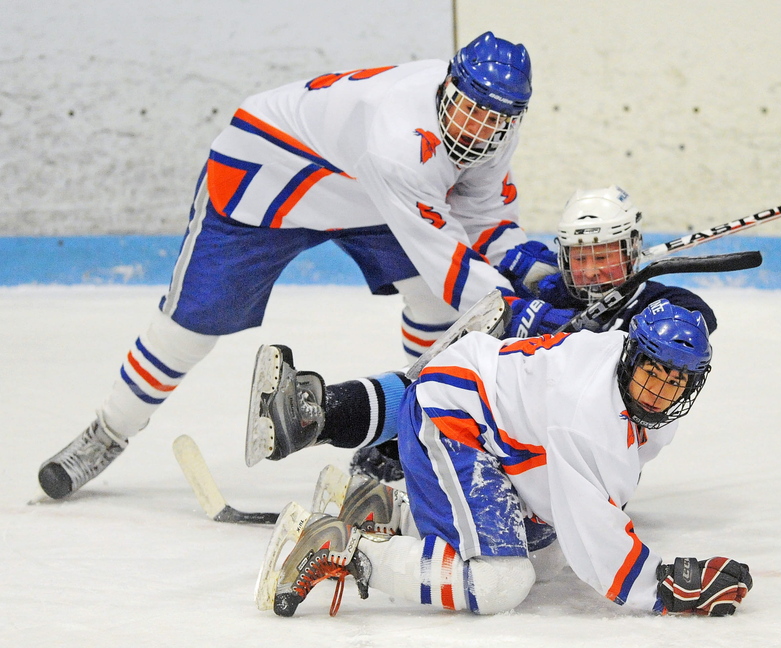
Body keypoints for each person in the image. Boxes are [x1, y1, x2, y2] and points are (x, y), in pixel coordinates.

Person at [38, 32, 563, 500]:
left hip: (364, 189)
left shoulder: (489, 128)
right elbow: (454, 272)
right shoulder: (398, 142)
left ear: (512, 118)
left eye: (494, 119)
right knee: (189, 328)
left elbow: (485, 218)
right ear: (448, 86)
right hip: (271, 177)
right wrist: (531, 314)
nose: (476, 128)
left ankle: (412, 427)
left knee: (429, 302)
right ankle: (107, 431)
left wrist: (534, 272)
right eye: (469, 108)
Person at [255, 300, 753, 617]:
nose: (659, 392)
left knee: (549, 558)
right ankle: (342, 548)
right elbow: (594, 523)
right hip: (454, 414)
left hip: (491, 425)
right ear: (632, 355)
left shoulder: (624, 380)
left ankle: (384, 507)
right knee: (500, 582)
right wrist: (659, 585)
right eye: (653, 371)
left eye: (676, 381)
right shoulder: (587, 413)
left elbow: (584, 509)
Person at [349, 184, 718, 482]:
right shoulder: (556, 289)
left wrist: (583, 332)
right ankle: (410, 424)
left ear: (631, 248)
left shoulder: (661, 302)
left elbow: (697, 320)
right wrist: (530, 291)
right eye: (579, 257)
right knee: (489, 326)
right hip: (527, 432)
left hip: (593, 455)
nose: (589, 271)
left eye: (602, 256)